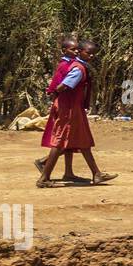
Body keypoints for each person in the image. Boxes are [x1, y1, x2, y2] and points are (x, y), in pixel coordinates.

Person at [37, 39, 116, 186]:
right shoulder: (78, 69)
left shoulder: (78, 66)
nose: (92, 56)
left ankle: (96, 174)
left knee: (83, 140)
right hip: (69, 108)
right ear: (80, 52)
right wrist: (56, 94)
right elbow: (63, 85)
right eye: (89, 53)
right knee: (60, 141)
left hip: (73, 107)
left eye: (94, 54)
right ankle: (44, 178)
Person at [34, 35, 86, 184]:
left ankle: (68, 172)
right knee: (61, 139)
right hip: (65, 106)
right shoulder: (65, 66)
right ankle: (44, 171)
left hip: (68, 105)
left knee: (68, 140)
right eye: (73, 49)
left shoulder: (70, 64)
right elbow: (58, 86)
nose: (76, 52)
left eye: (77, 49)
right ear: (64, 50)